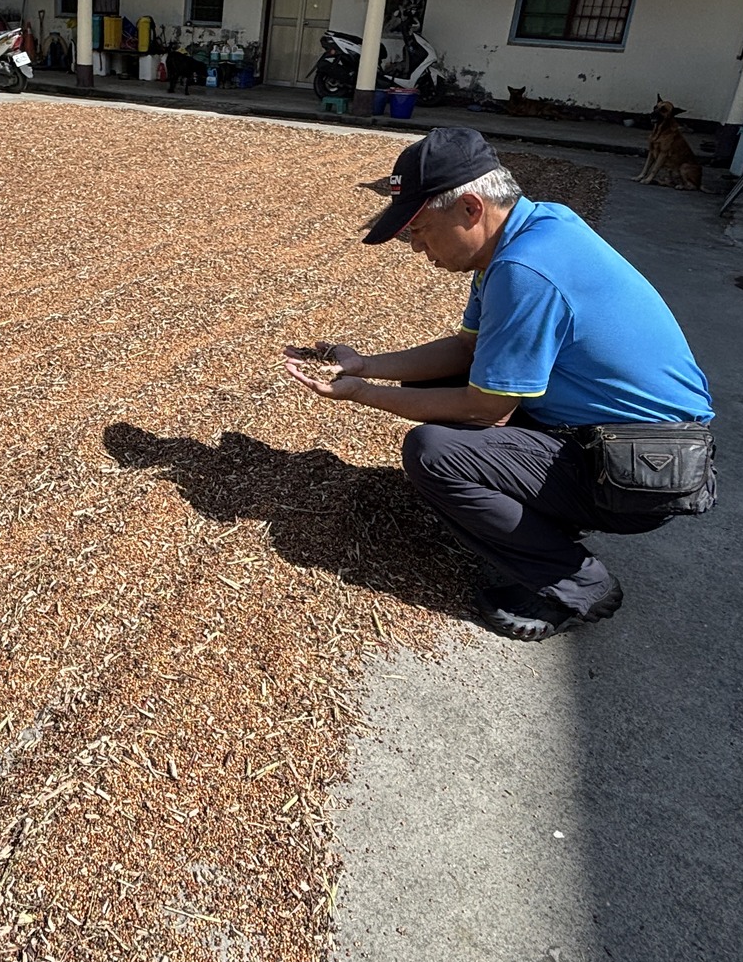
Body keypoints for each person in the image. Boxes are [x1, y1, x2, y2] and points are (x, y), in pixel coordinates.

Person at [283, 125, 715, 641]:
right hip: (626, 438)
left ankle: (575, 584)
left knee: (433, 452)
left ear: (470, 208)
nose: (416, 247)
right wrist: (365, 366)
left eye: (419, 229)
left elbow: (486, 411)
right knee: (466, 382)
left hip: (646, 469)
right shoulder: (536, 228)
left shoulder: (524, 270)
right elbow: (466, 351)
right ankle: (546, 524)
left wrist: (363, 396)